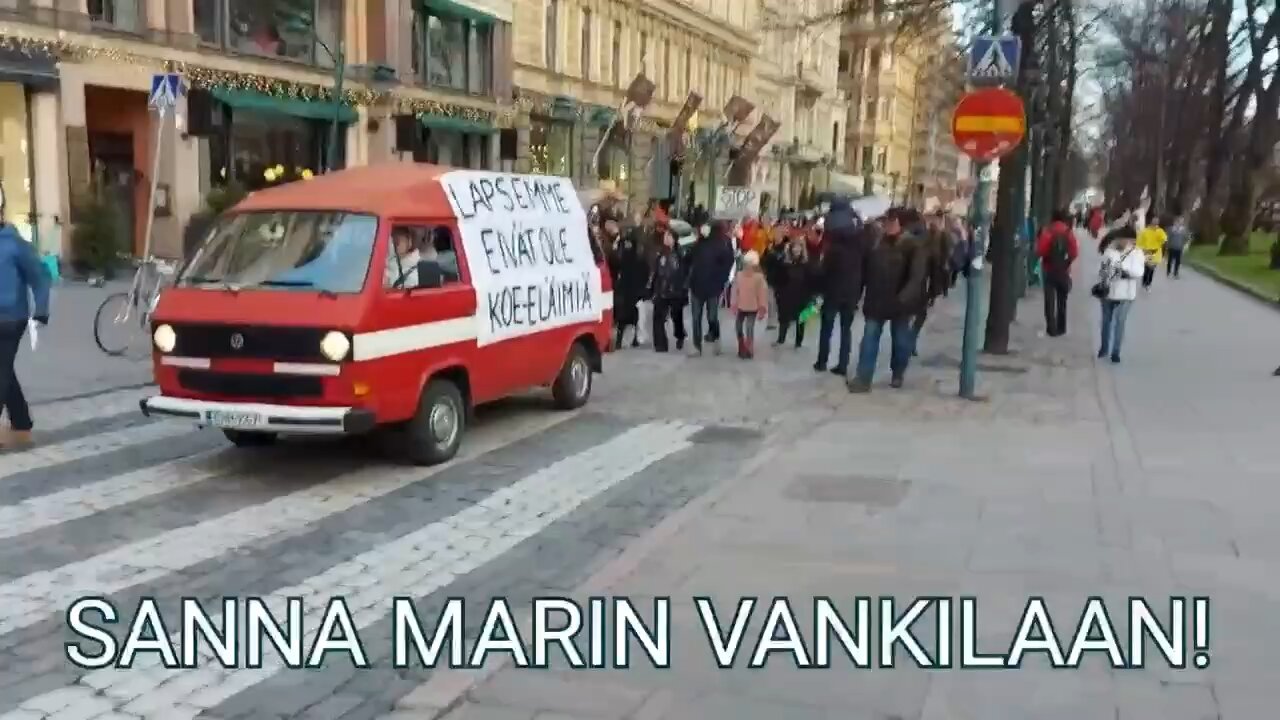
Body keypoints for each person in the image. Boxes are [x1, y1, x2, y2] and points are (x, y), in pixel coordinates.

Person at [848, 208, 928, 393]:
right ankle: (863, 378)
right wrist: (858, 293)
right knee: (869, 338)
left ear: (901, 223)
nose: (888, 225)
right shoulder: (876, 243)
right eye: (886, 222)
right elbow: (865, 270)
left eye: (892, 222)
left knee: (901, 341)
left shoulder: (912, 245)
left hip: (899, 303)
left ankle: (898, 372)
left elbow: (916, 276)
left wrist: (903, 298)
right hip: (876, 300)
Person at [1, 218, 50, 450]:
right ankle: (21, 421)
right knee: (4, 369)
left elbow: (40, 276)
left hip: (11, 319)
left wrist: (40, 311)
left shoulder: (15, 245)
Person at [813, 198, 869, 376]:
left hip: (832, 293)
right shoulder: (860, 246)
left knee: (826, 328)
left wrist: (819, 289)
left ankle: (822, 361)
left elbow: (823, 272)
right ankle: (843, 364)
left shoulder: (833, 249)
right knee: (846, 330)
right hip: (851, 293)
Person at [1097, 230, 1146, 364]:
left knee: (1120, 321)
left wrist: (1123, 269)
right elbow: (1102, 269)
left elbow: (1139, 272)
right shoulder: (1109, 251)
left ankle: (1116, 352)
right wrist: (1105, 276)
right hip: (1108, 290)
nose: (1123, 242)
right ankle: (1104, 348)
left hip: (1126, 294)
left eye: (1126, 239)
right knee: (1106, 321)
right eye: (1121, 239)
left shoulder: (1136, 253)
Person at [686, 221, 735, 355]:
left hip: (713, 287)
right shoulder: (698, 244)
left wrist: (722, 280)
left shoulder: (722, 244)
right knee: (696, 318)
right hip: (696, 286)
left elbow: (728, 262)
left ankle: (716, 337)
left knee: (712, 316)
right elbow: (687, 258)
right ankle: (697, 346)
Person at [910, 209, 954, 355]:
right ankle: (910, 340)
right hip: (922, 280)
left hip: (928, 280)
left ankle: (911, 340)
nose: (935, 222)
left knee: (919, 314)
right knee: (916, 313)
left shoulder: (942, 236)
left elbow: (945, 261)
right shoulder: (924, 235)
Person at [1035, 209, 1080, 337]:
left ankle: (1051, 328)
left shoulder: (1048, 231)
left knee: (1049, 300)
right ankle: (1062, 327)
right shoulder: (1068, 232)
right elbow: (1075, 252)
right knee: (1062, 300)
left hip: (1049, 269)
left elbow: (1040, 250)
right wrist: (1067, 262)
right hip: (1063, 270)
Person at [608, 220, 648, 348]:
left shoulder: (638, 255)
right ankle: (621, 340)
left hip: (632, 289)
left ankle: (633, 338)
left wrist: (642, 290)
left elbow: (644, 272)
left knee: (631, 316)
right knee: (623, 316)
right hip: (626, 288)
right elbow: (616, 264)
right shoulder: (626, 252)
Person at [648, 229, 688, 353]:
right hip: (661, 288)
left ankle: (680, 335)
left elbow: (684, 271)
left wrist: (683, 288)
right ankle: (660, 344)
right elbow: (654, 270)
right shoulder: (660, 252)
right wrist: (650, 287)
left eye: (669, 236)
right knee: (658, 317)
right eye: (665, 236)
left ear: (674, 238)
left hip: (676, 290)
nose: (666, 238)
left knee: (677, 316)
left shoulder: (680, 253)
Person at [773, 237, 814, 348]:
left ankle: (798, 341)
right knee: (784, 317)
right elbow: (778, 278)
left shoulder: (806, 264)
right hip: (786, 294)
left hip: (802, 295)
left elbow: (810, 280)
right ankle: (781, 339)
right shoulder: (785, 263)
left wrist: (811, 296)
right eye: (794, 247)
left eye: (798, 247)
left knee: (801, 319)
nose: (796, 249)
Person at [729, 250, 769, 359]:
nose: (748, 266)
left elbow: (762, 293)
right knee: (738, 326)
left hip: (753, 307)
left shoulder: (759, 278)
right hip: (741, 306)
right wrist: (734, 303)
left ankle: (749, 348)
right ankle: (742, 346)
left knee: (749, 327)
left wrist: (762, 308)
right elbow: (735, 290)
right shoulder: (740, 275)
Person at [1136, 212, 1166, 290]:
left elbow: (1164, 240)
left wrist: (1158, 234)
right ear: (1151, 221)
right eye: (1154, 221)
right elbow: (1140, 241)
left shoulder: (1160, 231)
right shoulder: (1145, 231)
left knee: (1152, 269)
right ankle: (1144, 281)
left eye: (1157, 221)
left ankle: (1149, 283)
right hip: (1147, 251)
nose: (1155, 223)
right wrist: (1140, 249)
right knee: (1146, 268)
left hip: (1155, 252)